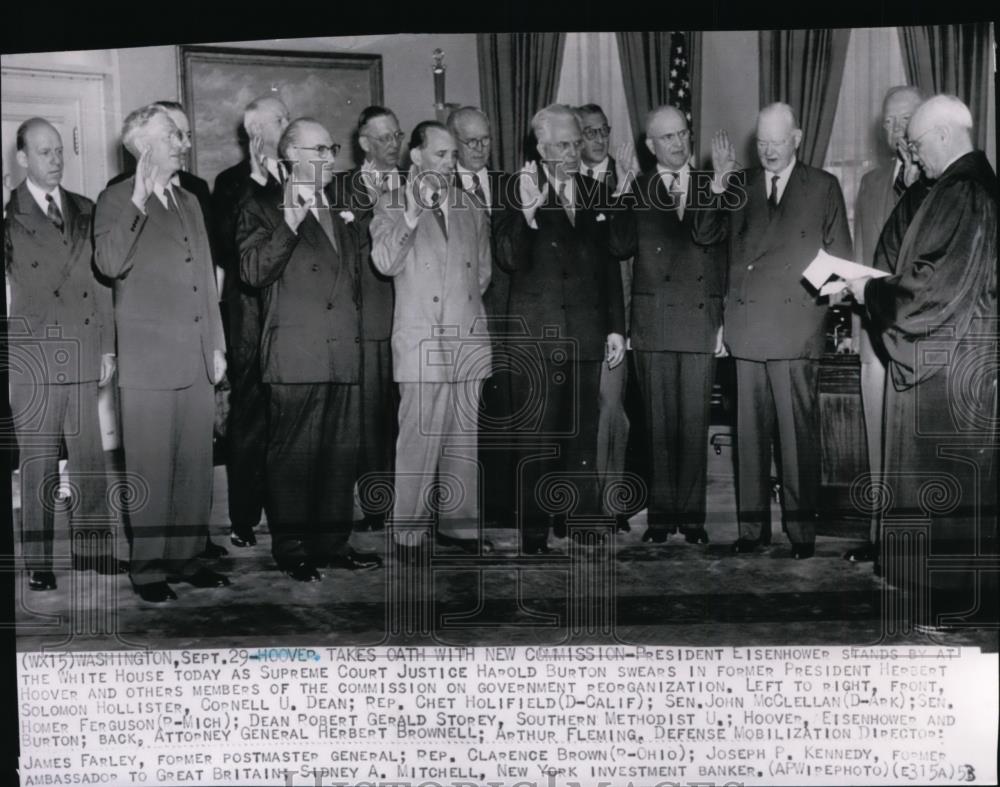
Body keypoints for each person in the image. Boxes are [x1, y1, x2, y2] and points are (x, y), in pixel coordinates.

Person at [845, 94, 998, 630]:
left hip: (949, 366)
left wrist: (872, 292)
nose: (915, 156)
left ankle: (950, 604)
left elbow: (929, 287)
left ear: (940, 135)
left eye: (917, 144)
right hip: (956, 357)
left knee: (947, 485)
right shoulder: (959, 186)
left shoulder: (964, 190)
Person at [693, 102, 853, 559]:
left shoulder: (823, 186)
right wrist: (717, 185)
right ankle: (752, 530)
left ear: (797, 138)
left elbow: (839, 259)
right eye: (761, 143)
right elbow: (706, 236)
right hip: (747, 328)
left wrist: (812, 313)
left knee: (797, 437)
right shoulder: (740, 184)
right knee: (749, 436)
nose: (768, 151)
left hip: (795, 328)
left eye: (777, 143)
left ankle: (801, 535)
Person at [93, 104, 229, 602]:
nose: (184, 143)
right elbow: (109, 264)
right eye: (174, 134)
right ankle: (148, 568)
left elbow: (204, 278)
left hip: (196, 354)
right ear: (144, 143)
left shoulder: (191, 199)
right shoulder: (114, 199)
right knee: (150, 467)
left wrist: (216, 343)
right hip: (149, 358)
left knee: (195, 465)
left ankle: (188, 557)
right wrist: (138, 198)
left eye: (186, 134)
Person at [238, 118, 382, 581]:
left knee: (341, 452)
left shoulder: (341, 203)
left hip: (342, 349)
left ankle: (333, 542)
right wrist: (289, 221)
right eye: (318, 150)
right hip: (295, 353)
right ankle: (293, 546)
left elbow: (356, 277)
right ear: (290, 157)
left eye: (331, 148)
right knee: (293, 455)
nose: (329, 158)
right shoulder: (260, 204)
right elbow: (253, 272)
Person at [495, 104, 627, 555]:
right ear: (541, 147)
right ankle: (533, 533)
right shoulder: (516, 190)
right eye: (564, 145)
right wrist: (528, 215)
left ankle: (579, 522)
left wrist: (615, 328)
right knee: (536, 438)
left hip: (587, 333)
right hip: (537, 336)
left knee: (581, 434)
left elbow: (612, 259)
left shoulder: (595, 190)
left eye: (577, 142)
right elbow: (508, 258)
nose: (575, 152)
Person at [5, 117, 120, 591]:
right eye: (44, 151)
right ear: (22, 159)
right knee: (38, 461)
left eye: (59, 151)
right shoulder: (8, 219)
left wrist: (108, 347)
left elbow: (101, 283)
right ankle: (37, 560)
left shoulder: (85, 208)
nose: (55, 160)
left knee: (90, 456)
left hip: (84, 344)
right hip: (34, 353)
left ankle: (94, 551)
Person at [370, 121, 493, 560]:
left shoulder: (470, 204)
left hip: (466, 338)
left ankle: (459, 528)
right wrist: (411, 214)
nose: (448, 163)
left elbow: (482, 273)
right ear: (416, 156)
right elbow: (385, 262)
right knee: (418, 442)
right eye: (439, 155)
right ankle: (408, 534)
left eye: (452, 156)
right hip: (421, 340)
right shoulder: (389, 203)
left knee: (464, 441)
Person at [614, 105, 728, 545]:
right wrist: (622, 189)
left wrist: (722, 321)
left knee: (694, 422)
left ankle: (693, 519)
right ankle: (662, 519)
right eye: (667, 138)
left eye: (682, 134)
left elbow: (720, 253)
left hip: (700, 318)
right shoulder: (636, 187)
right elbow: (620, 244)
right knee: (658, 424)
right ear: (650, 146)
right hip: (652, 321)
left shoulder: (711, 184)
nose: (679, 143)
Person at [844, 85, 924, 566]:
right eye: (890, 123)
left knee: (911, 443)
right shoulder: (872, 183)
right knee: (876, 438)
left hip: (915, 336)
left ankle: (910, 542)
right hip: (874, 336)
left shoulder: (938, 182)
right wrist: (858, 334)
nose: (897, 132)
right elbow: (858, 260)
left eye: (906, 121)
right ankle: (877, 536)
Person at [212, 95, 290, 548]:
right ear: (256, 131)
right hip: (248, 315)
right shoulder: (230, 183)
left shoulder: (299, 176)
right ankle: (243, 519)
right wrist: (259, 184)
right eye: (281, 120)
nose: (288, 124)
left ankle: (285, 514)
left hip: (290, 314)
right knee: (250, 419)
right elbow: (228, 248)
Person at [328, 105, 402, 533]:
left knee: (402, 418)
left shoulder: (417, 186)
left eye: (398, 136)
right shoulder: (339, 189)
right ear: (363, 143)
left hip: (411, 319)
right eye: (385, 137)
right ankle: (373, 505)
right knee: (367, 418)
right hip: (365, 322)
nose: (394, 144)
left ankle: (400, 500)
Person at [447, 106, 517, 529]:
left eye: (485, 140)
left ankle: (502, 509)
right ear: (453, 142)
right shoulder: (439, 185)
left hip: (508, 317)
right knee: (460, 423)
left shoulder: (510, 185)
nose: (479, 149)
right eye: (470, 141)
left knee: (506, 414)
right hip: (461, 320)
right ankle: (460, 515)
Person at [575, 103, 641, 532]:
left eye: (604, 131)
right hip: (582, 315)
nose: (598, 139)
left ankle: (613, 504)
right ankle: (583, 506)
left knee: (614, 410)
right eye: (589, 132)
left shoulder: (629, 181)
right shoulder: (567, 185)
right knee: (583, 415)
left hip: (623, 314)